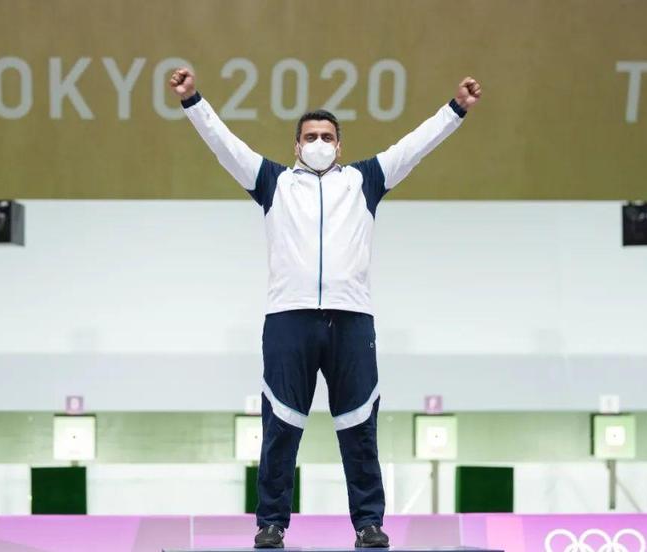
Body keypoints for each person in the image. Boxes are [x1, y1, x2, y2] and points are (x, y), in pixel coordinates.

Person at [169, 67, 481, 549]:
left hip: (351, 320)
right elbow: (224, 143)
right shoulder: (272, 182)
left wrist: (455, 109)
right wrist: (193, 100)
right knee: (280, 428)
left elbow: (414, 146)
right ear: (296, 146)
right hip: (288, 319)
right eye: (310, 136)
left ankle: (369, 523)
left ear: (339, 145)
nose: (319, 142)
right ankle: (271, 523)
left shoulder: (365, 180)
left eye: (327, 137)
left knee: (360, 427)